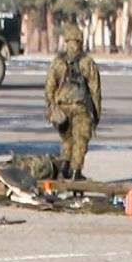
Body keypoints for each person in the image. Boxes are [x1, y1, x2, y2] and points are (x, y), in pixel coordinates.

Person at [45, 31, 102, 175]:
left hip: (62, 109)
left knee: (66, 138)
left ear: (66, 41)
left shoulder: (57, 62)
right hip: (80, 108)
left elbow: (49, 88)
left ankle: (65, 165)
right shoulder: (88, 62)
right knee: (80, 140)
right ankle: (76, 170)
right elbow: (95, 90)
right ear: (81, 41)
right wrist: (96, 114)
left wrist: (51, 108)